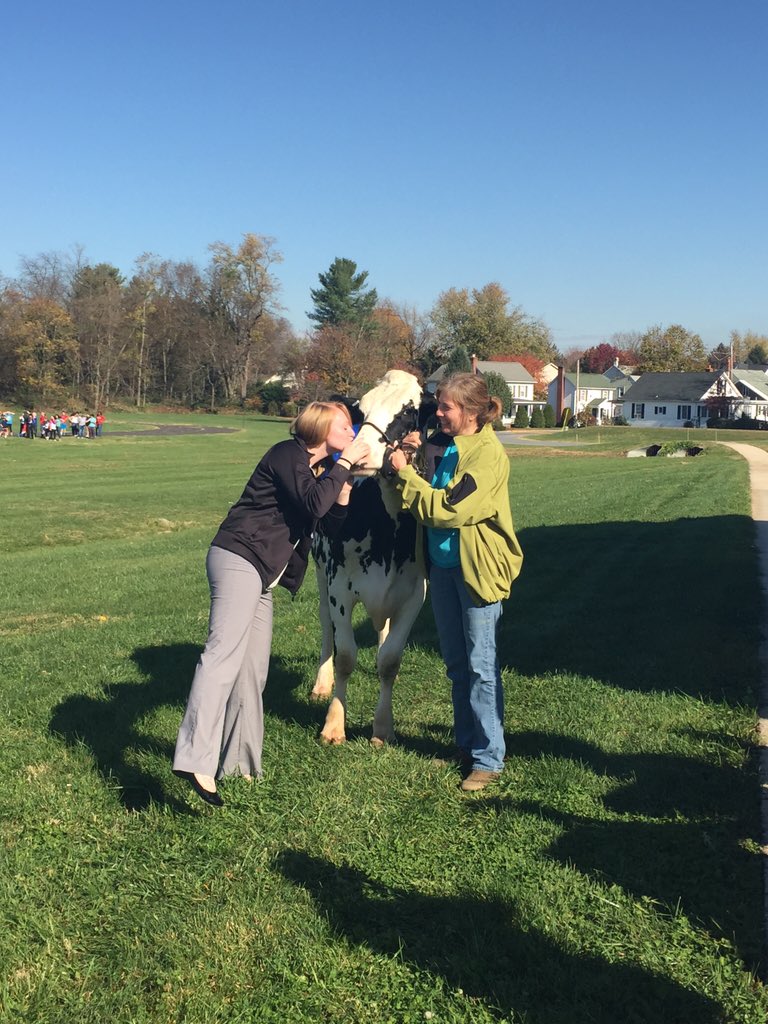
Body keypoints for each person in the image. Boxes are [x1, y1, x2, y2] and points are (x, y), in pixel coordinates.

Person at [172, 402, 371, 807]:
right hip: (239, 558)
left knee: (252, 671)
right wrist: (346, 462)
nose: (352, 433)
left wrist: (344, 487)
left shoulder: (317, 471)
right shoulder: (286, 454)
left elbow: (327, 524)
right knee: (222, 655)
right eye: (345, 426)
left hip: (263, 573)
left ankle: (240, 765)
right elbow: (312, 504)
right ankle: (195, 758)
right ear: (321, 427)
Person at [388, 372, 524, 792]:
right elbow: (430, 491)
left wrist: (405, 476)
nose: (439, 413)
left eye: (445, 407)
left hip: (477, 571)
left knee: (481, 667)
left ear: (469, 412)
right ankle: (466, 746)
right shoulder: (449, 446)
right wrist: (412, 460)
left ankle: (488, 759)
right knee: (457, 665)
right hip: (443, 568)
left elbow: (449, 509)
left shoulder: (486, 455)